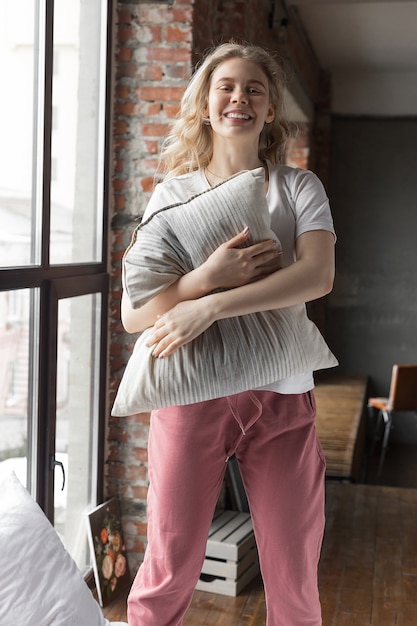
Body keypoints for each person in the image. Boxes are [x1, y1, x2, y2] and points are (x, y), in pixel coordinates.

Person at [122, 41, 336, 626]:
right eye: (226, 86)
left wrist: (212, 308)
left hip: (284, 394)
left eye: (253, 89)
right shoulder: (171, 196)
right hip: (193, 399)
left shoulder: (298, 188)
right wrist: (202, 282)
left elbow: (316, 277)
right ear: (205, 102)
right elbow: (136, 315)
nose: (239, 98)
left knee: (294, 575)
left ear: (270, 110)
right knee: (168, 568)